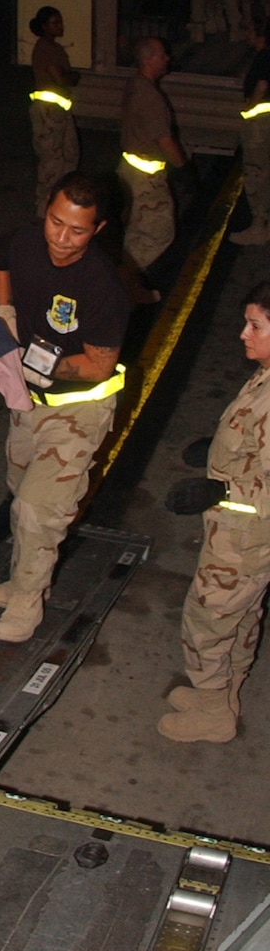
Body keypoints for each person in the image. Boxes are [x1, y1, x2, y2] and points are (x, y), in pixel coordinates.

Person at [0, 174, 130, 643]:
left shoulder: (103, 284)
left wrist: (28, 363)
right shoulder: (25, 240)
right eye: (55, 222)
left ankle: (29, 600)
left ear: (99, 228)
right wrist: (4, 310)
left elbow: (98, 364)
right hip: (27, 401)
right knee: (19, 488)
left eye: (78, 231)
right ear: (46, 209)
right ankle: (21, 579)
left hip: (76, 410)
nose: (61, 239)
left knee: (39, 507)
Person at [158, 284, 270, 743]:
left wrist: (220, 488)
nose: (243, 334)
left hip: (245, 538)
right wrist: (219, 453)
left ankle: (212, 711)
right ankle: (224, 691)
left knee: (208, 619)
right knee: (240, 616)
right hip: (241, 534)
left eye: (256, 326)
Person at [119, 37, 185, 277]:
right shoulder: (150, 96)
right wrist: (183, 167)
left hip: (131, 171)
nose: (167, 58)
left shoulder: (135, 84)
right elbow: (164, 139)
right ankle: (128, 282)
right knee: (156, 233)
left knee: (134, 229)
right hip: (146, 178)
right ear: (148, 60)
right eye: (162, 55)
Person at [28, 6, 79, 216]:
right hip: (47, 111)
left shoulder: (54, 47)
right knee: (51, 161)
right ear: (43, 27)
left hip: (59, 109)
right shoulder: (44, 48)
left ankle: (60, 202)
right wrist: (71, 77)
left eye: (60, 22)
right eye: (54, 23)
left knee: (68, 156)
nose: (60, 26)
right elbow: (60, 78)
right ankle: (44, 207)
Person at [232, 22, 270, 247]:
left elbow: (262, 84)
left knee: (257, 173)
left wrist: (248, 109)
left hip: (260, 125)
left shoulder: (265, 57)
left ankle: (259, 226)